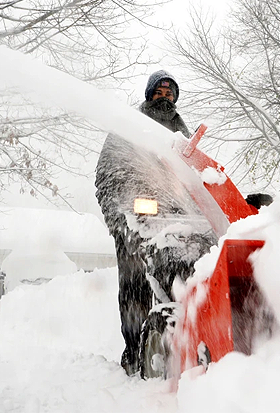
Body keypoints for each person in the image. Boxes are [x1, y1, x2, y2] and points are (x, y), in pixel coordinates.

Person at [94, 70, 209, 376]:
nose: (165, 96)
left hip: (176, 222)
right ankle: (134, 351)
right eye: (159, 91)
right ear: (149, 94)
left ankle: (187, 337)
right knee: (135, 286)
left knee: (186, 279)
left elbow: (194, 180)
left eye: (170, 92)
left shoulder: (181, 134)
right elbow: (105, 177)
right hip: (135, 221)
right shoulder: (129, 128)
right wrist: (120, 221)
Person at [139, 70, 190, 138]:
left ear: (174, 98)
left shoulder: (177, 123)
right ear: (150, 95)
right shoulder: (138, 117)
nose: (163, 98)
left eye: (168, 94)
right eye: (159, 93)